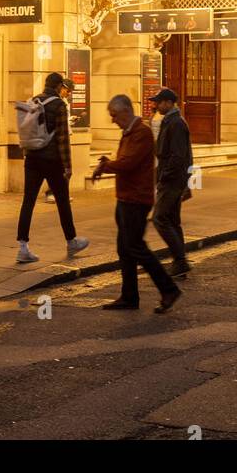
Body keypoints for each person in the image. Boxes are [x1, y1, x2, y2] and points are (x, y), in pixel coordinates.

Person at [92, 94, 181, 315]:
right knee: (125, 249)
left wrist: (106, 166)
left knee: (136, 247)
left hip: (136, 199)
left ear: (125, 111)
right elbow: (124, 161)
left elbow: (128, 163)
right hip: (125, 198)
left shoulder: (141, 133)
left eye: (114, 115)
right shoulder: (129, 132)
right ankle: (129, 296)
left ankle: (168, 289)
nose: (112, 120)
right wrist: (108, 163)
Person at [15, 71, 88, 264]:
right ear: (58, 87)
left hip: (32, 158)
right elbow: (63, 139)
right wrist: (68, 166)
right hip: (52, 160)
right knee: (63, 201)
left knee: (28, 202)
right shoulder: (59, 105)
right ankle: (71, 241)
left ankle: (23, 247)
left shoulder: (34, 101)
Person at [150, 88, 193, 278]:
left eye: (158, 102)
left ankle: (180, 260)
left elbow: (179, 156)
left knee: (160, 218)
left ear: (168, 103)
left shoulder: (175, 123)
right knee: (173, 221)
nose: (155, 105)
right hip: (175, 179)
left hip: (172, 180)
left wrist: (165, 177)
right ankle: (179, 261)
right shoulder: (172, 121)